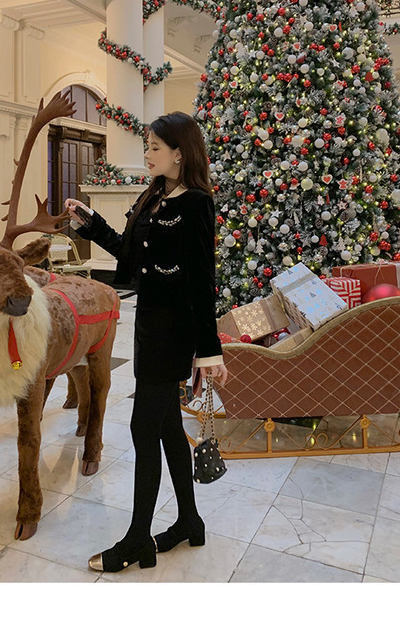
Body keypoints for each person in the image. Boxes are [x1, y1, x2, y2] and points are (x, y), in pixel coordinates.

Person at [65, 111, 227, 574]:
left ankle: (138, 538)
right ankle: (190, 521)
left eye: (155, 147)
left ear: (180, 153)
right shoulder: (154, 195)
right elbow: (130, 253)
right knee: (168, 427)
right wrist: (91, 224)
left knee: (143, 429)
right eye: (148, 145)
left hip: (175, 333)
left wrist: (208, 350)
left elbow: (203, 283)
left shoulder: (196, 204)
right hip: (148, 326)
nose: (148, 153)